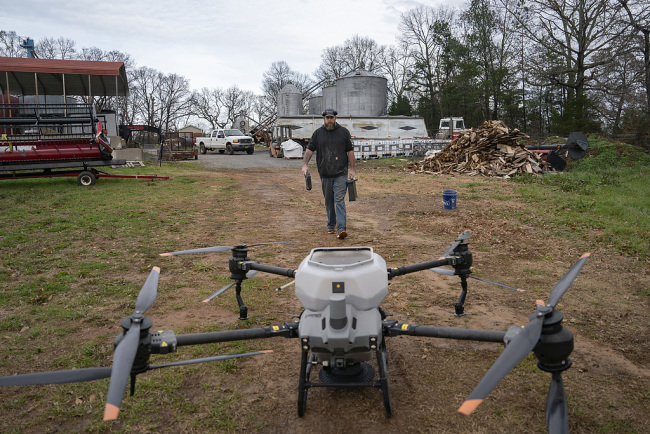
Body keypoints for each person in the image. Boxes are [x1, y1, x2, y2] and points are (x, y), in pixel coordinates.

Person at [302, 108, 356, 239]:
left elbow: (350, 151)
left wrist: (352, 169)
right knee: (328, 201)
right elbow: (309, 150)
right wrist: (304, 165)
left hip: (340, 173)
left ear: (336, 118)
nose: (330, 120)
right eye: (327, 118)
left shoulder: (343, 132)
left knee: (339, 200)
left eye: (332, 117)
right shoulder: (318, 134)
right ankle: (331, 225)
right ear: (324, 119)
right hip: (325, 173)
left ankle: (341, 229)